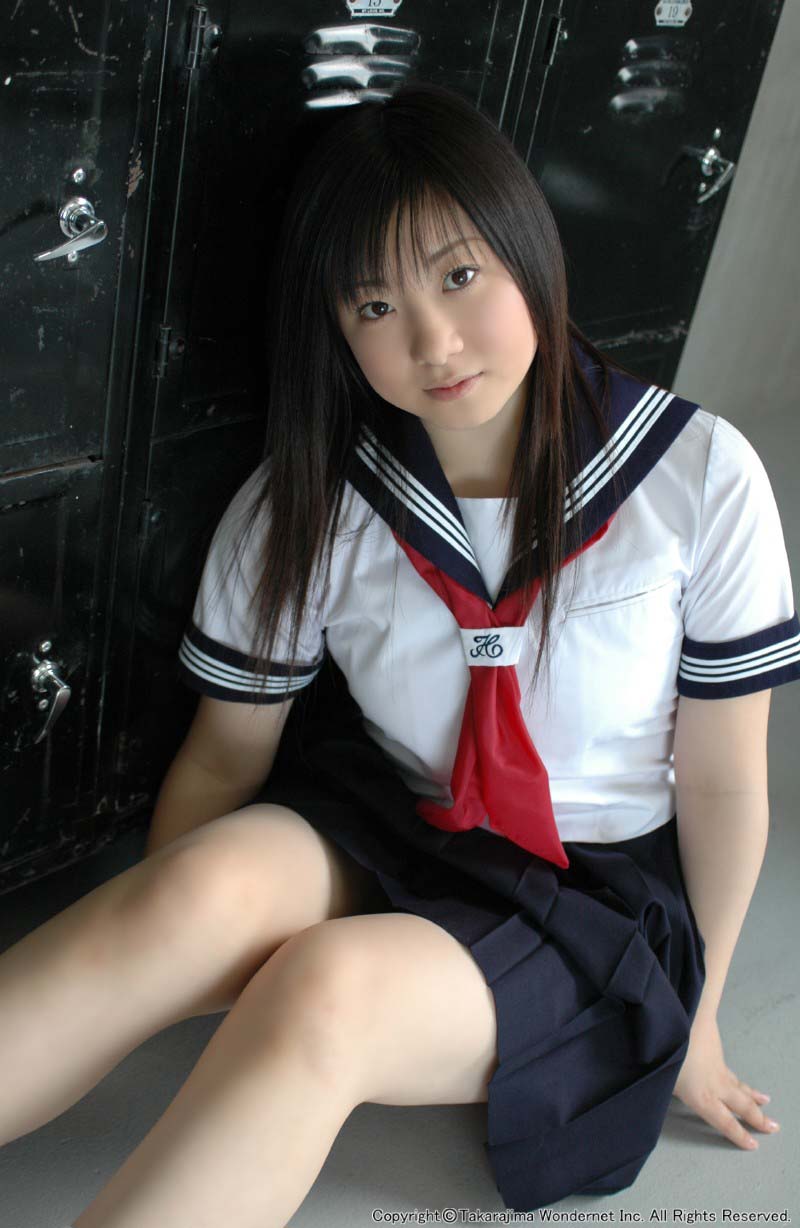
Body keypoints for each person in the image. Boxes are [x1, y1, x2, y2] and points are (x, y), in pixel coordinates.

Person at [2, 80, 798, 1228]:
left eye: (458, 275)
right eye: (374, 305)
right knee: (186, 890)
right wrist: (179, 951)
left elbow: (722, 782)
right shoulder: (310, 499)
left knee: (319, 993)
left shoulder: (698, 477)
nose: (431, 341)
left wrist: (699, 1015)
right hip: (390, 818)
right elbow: (224, 756)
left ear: (527, 245)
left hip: (589, 889)